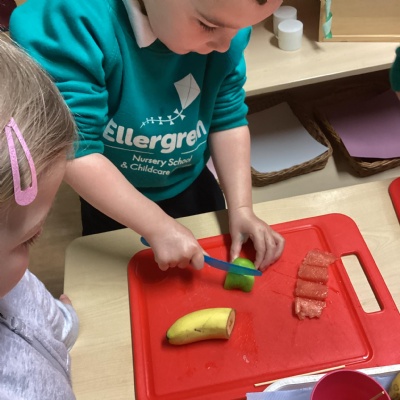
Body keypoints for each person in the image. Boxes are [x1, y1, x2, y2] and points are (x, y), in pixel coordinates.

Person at [10, 0, 285, 272]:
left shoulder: (226, 26)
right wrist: (157, 226)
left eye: (243, 27)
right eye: (208, 25)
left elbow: (227, 116)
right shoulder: (78, 24)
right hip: (112, 195)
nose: (225, 45)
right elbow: (75, 148)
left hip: (190, 180)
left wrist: (241, 208)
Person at [0, 35, 79, 400]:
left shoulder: (11, 280)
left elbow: (38, 312)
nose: (29, 256)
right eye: (28, 239)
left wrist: (64, 322)